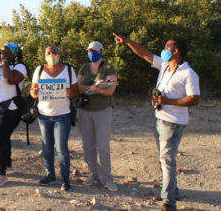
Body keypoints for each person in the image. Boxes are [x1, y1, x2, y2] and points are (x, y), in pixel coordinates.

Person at [113, 33, 200, 211]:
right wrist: (128, 41)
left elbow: (194, 99)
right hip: (160, 119)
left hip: (173, 122)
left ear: (175, 51)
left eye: (167, 46)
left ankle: (168, 201)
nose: (163, 49)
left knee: (167, 159)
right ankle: (172, 191)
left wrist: (166, 102)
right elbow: (144, 54)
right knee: (164, 159)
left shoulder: (188, 73)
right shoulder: (165, 66)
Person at [30, 46, 79, 191]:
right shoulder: (39, 70)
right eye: (49, 53)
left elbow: (76, 93)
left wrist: (71, 93)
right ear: (45, 55)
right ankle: (50, 175)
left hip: (63, 115)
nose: (52, 55)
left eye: (55, 52)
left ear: (59, 54)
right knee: (47, 147)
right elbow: (33, 93)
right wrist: (34, 92)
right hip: (44, 115)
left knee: (61, 148)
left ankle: (65, 178)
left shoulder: (69, 70)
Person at [0, 43, 27, 188]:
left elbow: (10, 80)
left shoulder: (20, 67)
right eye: (1, 51)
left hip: (11, 108)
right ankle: (8, 166)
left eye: (5, 51)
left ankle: (2, 174)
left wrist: (5, 60)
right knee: (3, 138)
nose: (2, 53)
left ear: (12, 53)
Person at [77, 41, 119, 192]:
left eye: (94, 50)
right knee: (88, 146)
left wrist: (97, 90)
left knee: (103, 146)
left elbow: (110, 90)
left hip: (102, 111)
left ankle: (106, 178)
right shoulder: (84, 67)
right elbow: (78, 87)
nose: (91, 53)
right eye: (89, 50)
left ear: (101, 51)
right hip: (84, 111)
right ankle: (93, 174)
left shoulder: (109, 67)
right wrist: (93, 88)